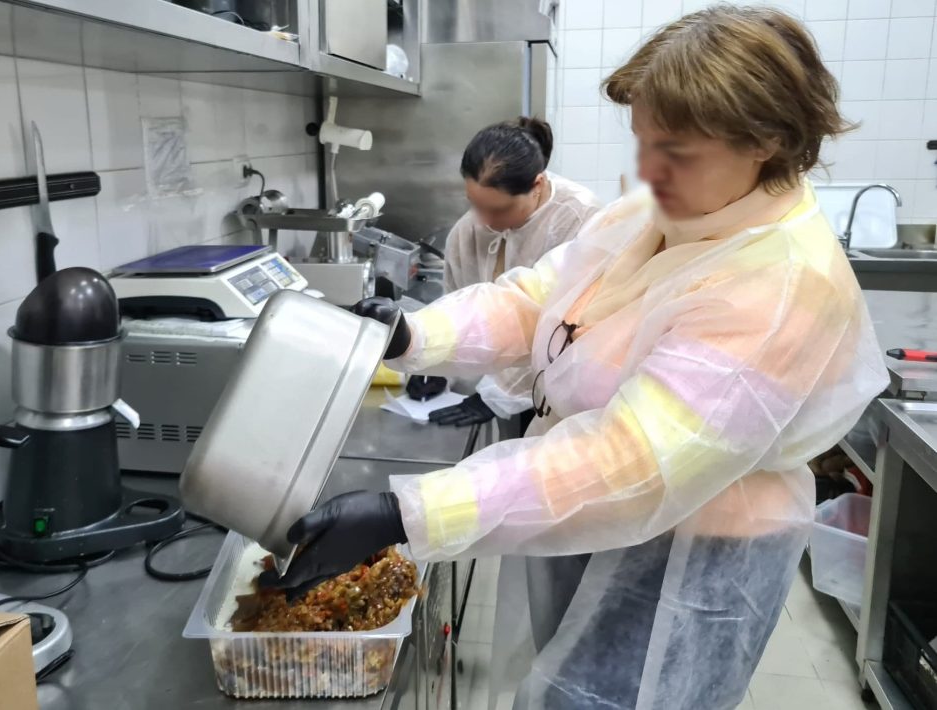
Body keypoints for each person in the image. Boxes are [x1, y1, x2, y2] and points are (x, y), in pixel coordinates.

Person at [264, 6, 889, 709]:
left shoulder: (780, 285)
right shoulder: (665, 210)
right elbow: (543, 297)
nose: (647, 171)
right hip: (588, 511)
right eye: (642, 141)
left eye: (676, 150)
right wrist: (415, 335)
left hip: (684, 551)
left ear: (767, 142)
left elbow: (634, 462)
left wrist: (407, 513)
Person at [422, 117, 601, 427]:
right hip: (488, 386)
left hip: (559, 396)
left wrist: (499, 395)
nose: (484, 221)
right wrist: (435, 362)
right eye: (475, 204)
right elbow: (457, 309)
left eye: (499, 210)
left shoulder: (582, 220)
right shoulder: (469, 230)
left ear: (537, 185)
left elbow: (565, 332)